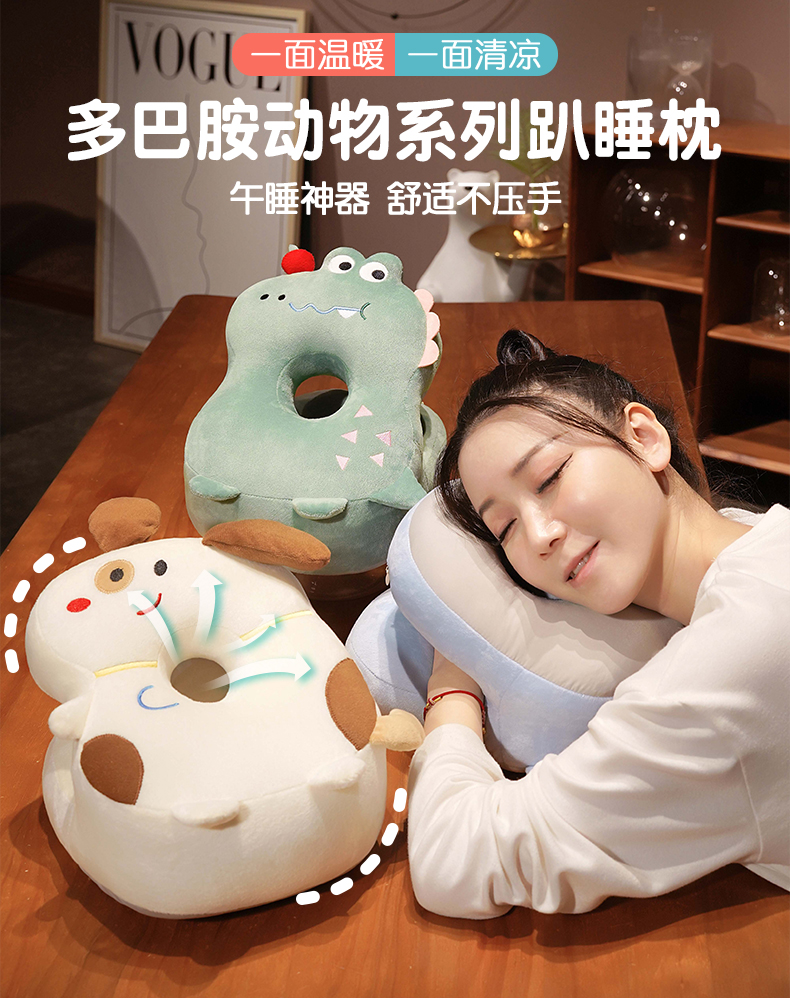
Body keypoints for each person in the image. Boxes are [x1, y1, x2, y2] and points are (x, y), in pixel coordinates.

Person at [406, 329, 790, 919]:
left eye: (549, 478)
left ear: (643, 437)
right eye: (505, 527)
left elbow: (455, 860)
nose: (539, 535)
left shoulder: (733, 657)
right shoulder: (758, 537)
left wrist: (452, 689)